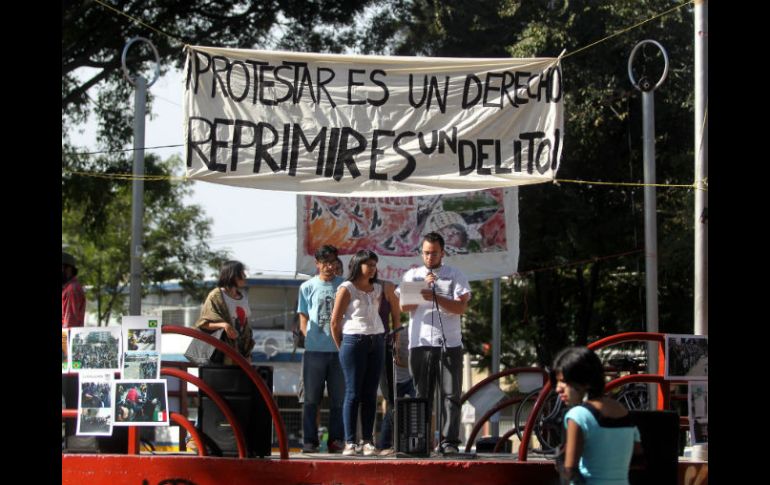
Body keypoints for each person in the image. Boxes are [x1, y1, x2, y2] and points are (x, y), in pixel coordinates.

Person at [399, 232, 471, 454]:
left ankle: (449, 442)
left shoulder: (454, 274)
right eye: (426, 253)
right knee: (422, 394)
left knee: (451, 395)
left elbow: (461, 307)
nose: (429, 257)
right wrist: (423, 288)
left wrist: (436, 297)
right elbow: (404, 307)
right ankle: (420, 442)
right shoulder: (413, 275)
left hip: (449, 343)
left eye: (434, 253)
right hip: (420, 343)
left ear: (443, 253)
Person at [551, 346, 642, 485]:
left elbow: (570, 471)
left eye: (563, 381)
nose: (558, 389)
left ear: (584, 381)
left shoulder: (578, 415)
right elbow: (637, 458)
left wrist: (560, 464)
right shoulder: (624, 412)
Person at [330, 249, 387, 456]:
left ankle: (368, 441)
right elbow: (335, 322)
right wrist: (342, 346)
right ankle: (350, 442)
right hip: (354, 340)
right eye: (369, 265)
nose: (372, 269)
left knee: (370, 394)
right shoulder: (347, 288)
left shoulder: (378, 288)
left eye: (374, 265)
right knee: (353, 392)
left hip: (377, 340)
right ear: (357, 265)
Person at [297, 245, 346, 453]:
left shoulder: (345, 285)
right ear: (317, 264)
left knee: (339, 400)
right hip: (314, 352)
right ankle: (310, 441)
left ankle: (336, 441)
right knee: (311, 399)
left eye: (333, 262)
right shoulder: (307, 287)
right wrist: (311, 339)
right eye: (324, 262)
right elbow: (303, 318)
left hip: (340, 351)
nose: (329, 266)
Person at [194, 260, 255, 365]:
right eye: (242, 273)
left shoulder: (243, 297)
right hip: (220, 353)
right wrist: (224, 325)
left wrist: (247, 352)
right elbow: (203, 324)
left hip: (240, 353)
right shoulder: (216, 296)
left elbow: (245, 327)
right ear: (233, 275)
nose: (245, 276)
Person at [377, 319, 415, 455]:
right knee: (392, 409)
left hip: (409, 378)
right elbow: (398, 361)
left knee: (416, 405)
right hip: (394, 379)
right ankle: (384, 445)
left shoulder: (413, 332)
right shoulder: (392, 335)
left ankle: (414, 443)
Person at [62, 251, 86, 328]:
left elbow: (69, 324)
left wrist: (64, 340)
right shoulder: (68, 288)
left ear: (68, 269)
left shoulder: (71, 290)